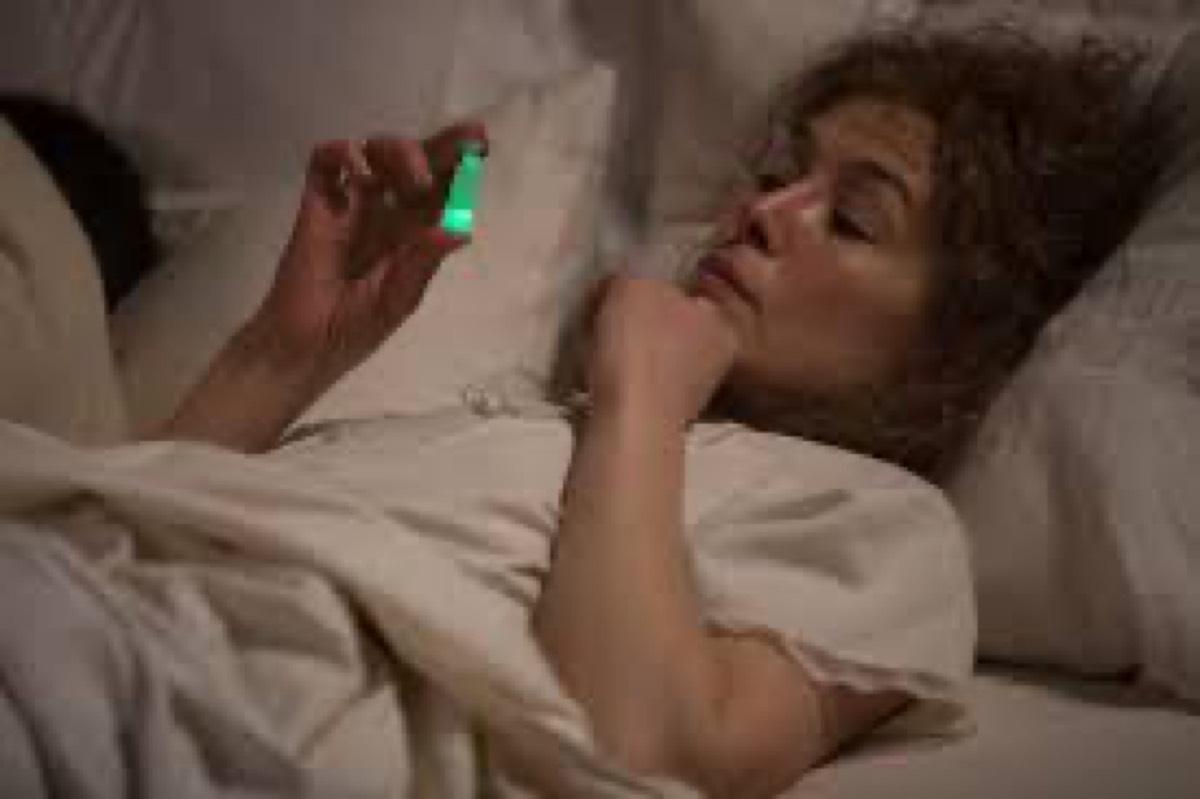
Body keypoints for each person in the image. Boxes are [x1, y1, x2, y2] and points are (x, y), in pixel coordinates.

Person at [8, 27, 1167, 799]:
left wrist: (641, 397)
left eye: (854, 219)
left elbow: (641, 748)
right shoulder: (519, 411)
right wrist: (286, 353)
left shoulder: (884, 521)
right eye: (779, 174)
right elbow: (135, 527)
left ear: (959, 340)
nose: (764, 212)